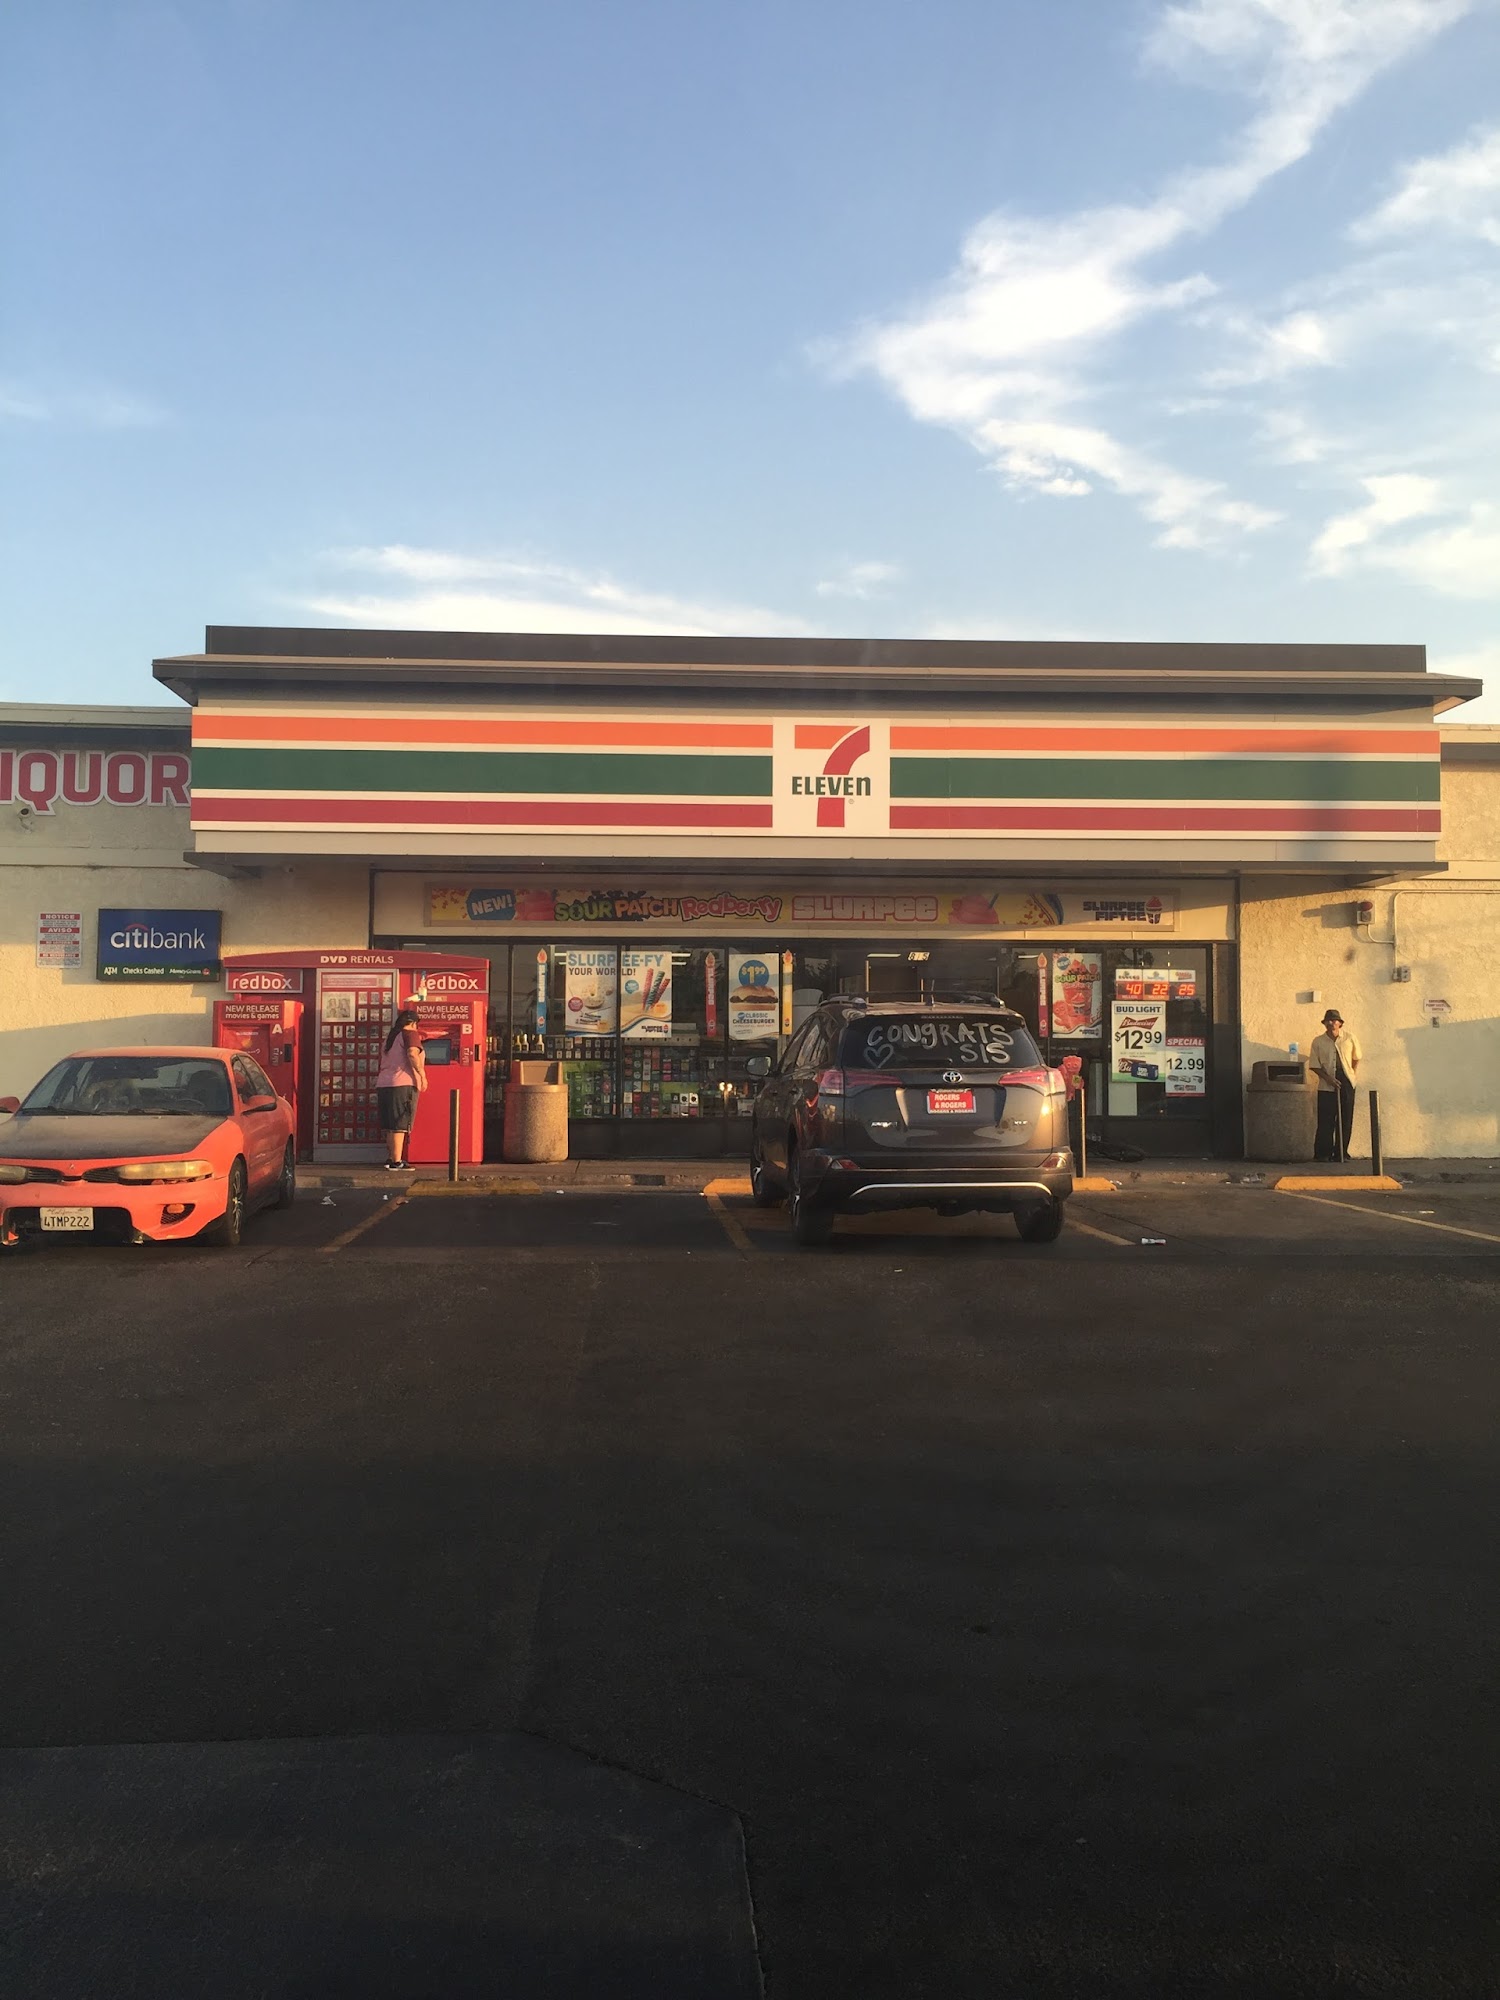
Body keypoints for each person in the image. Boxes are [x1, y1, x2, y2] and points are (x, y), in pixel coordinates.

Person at [375, 1007, 427, 1170]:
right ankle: (397, 1162)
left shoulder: (391, 1037)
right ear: (413, 1023)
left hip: (384, 1083)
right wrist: (422, 1075)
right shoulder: (410, 1034)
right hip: (402, 1083)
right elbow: (412, 1054)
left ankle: (391, 1158)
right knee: (400, 1124)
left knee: (390, 1125)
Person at [1310, 1007, 1361, 1162]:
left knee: (1345, 1118)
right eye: (1328, 1021)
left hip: (1346, 1079)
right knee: (1326, 1119)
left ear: (1340, 1023)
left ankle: (1341, 1153)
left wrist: (1351, 1074)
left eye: (1334, 1020)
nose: (1331, 1023)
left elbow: (1356, 1058)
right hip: (1327, 1081)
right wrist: (1329, 1079)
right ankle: (1323, 1154)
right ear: (1324, 1024)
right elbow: (1314, 1065)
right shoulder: (1318, 1041)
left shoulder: (1349, 1038)